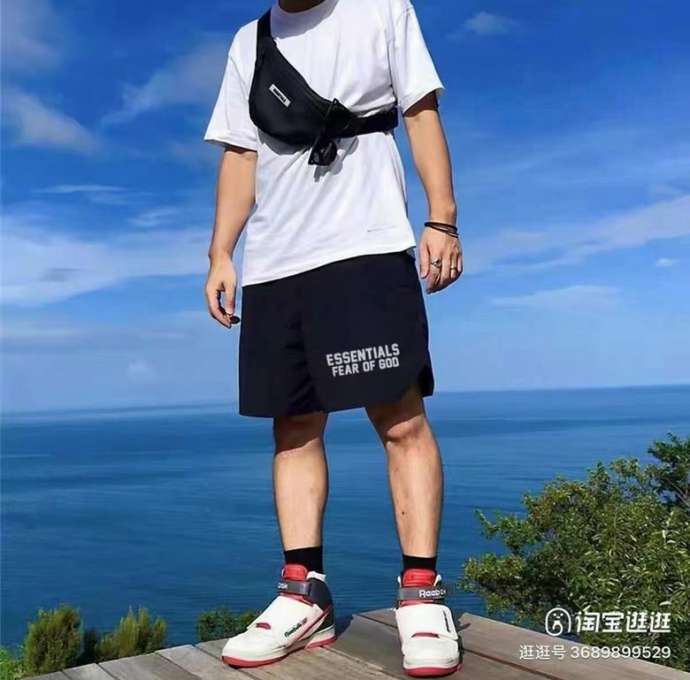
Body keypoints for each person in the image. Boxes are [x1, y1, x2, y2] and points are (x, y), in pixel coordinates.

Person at [203, 0, 463, 676]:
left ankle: (420, 591)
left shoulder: (381, 8)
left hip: (367, 244)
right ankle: (304, 593)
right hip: (275, 261)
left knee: (400, 418)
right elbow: (240, 153)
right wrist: (221, 252)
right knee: (292, 426)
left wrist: (442, 218)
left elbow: (420, 111)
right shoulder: (250, 42)